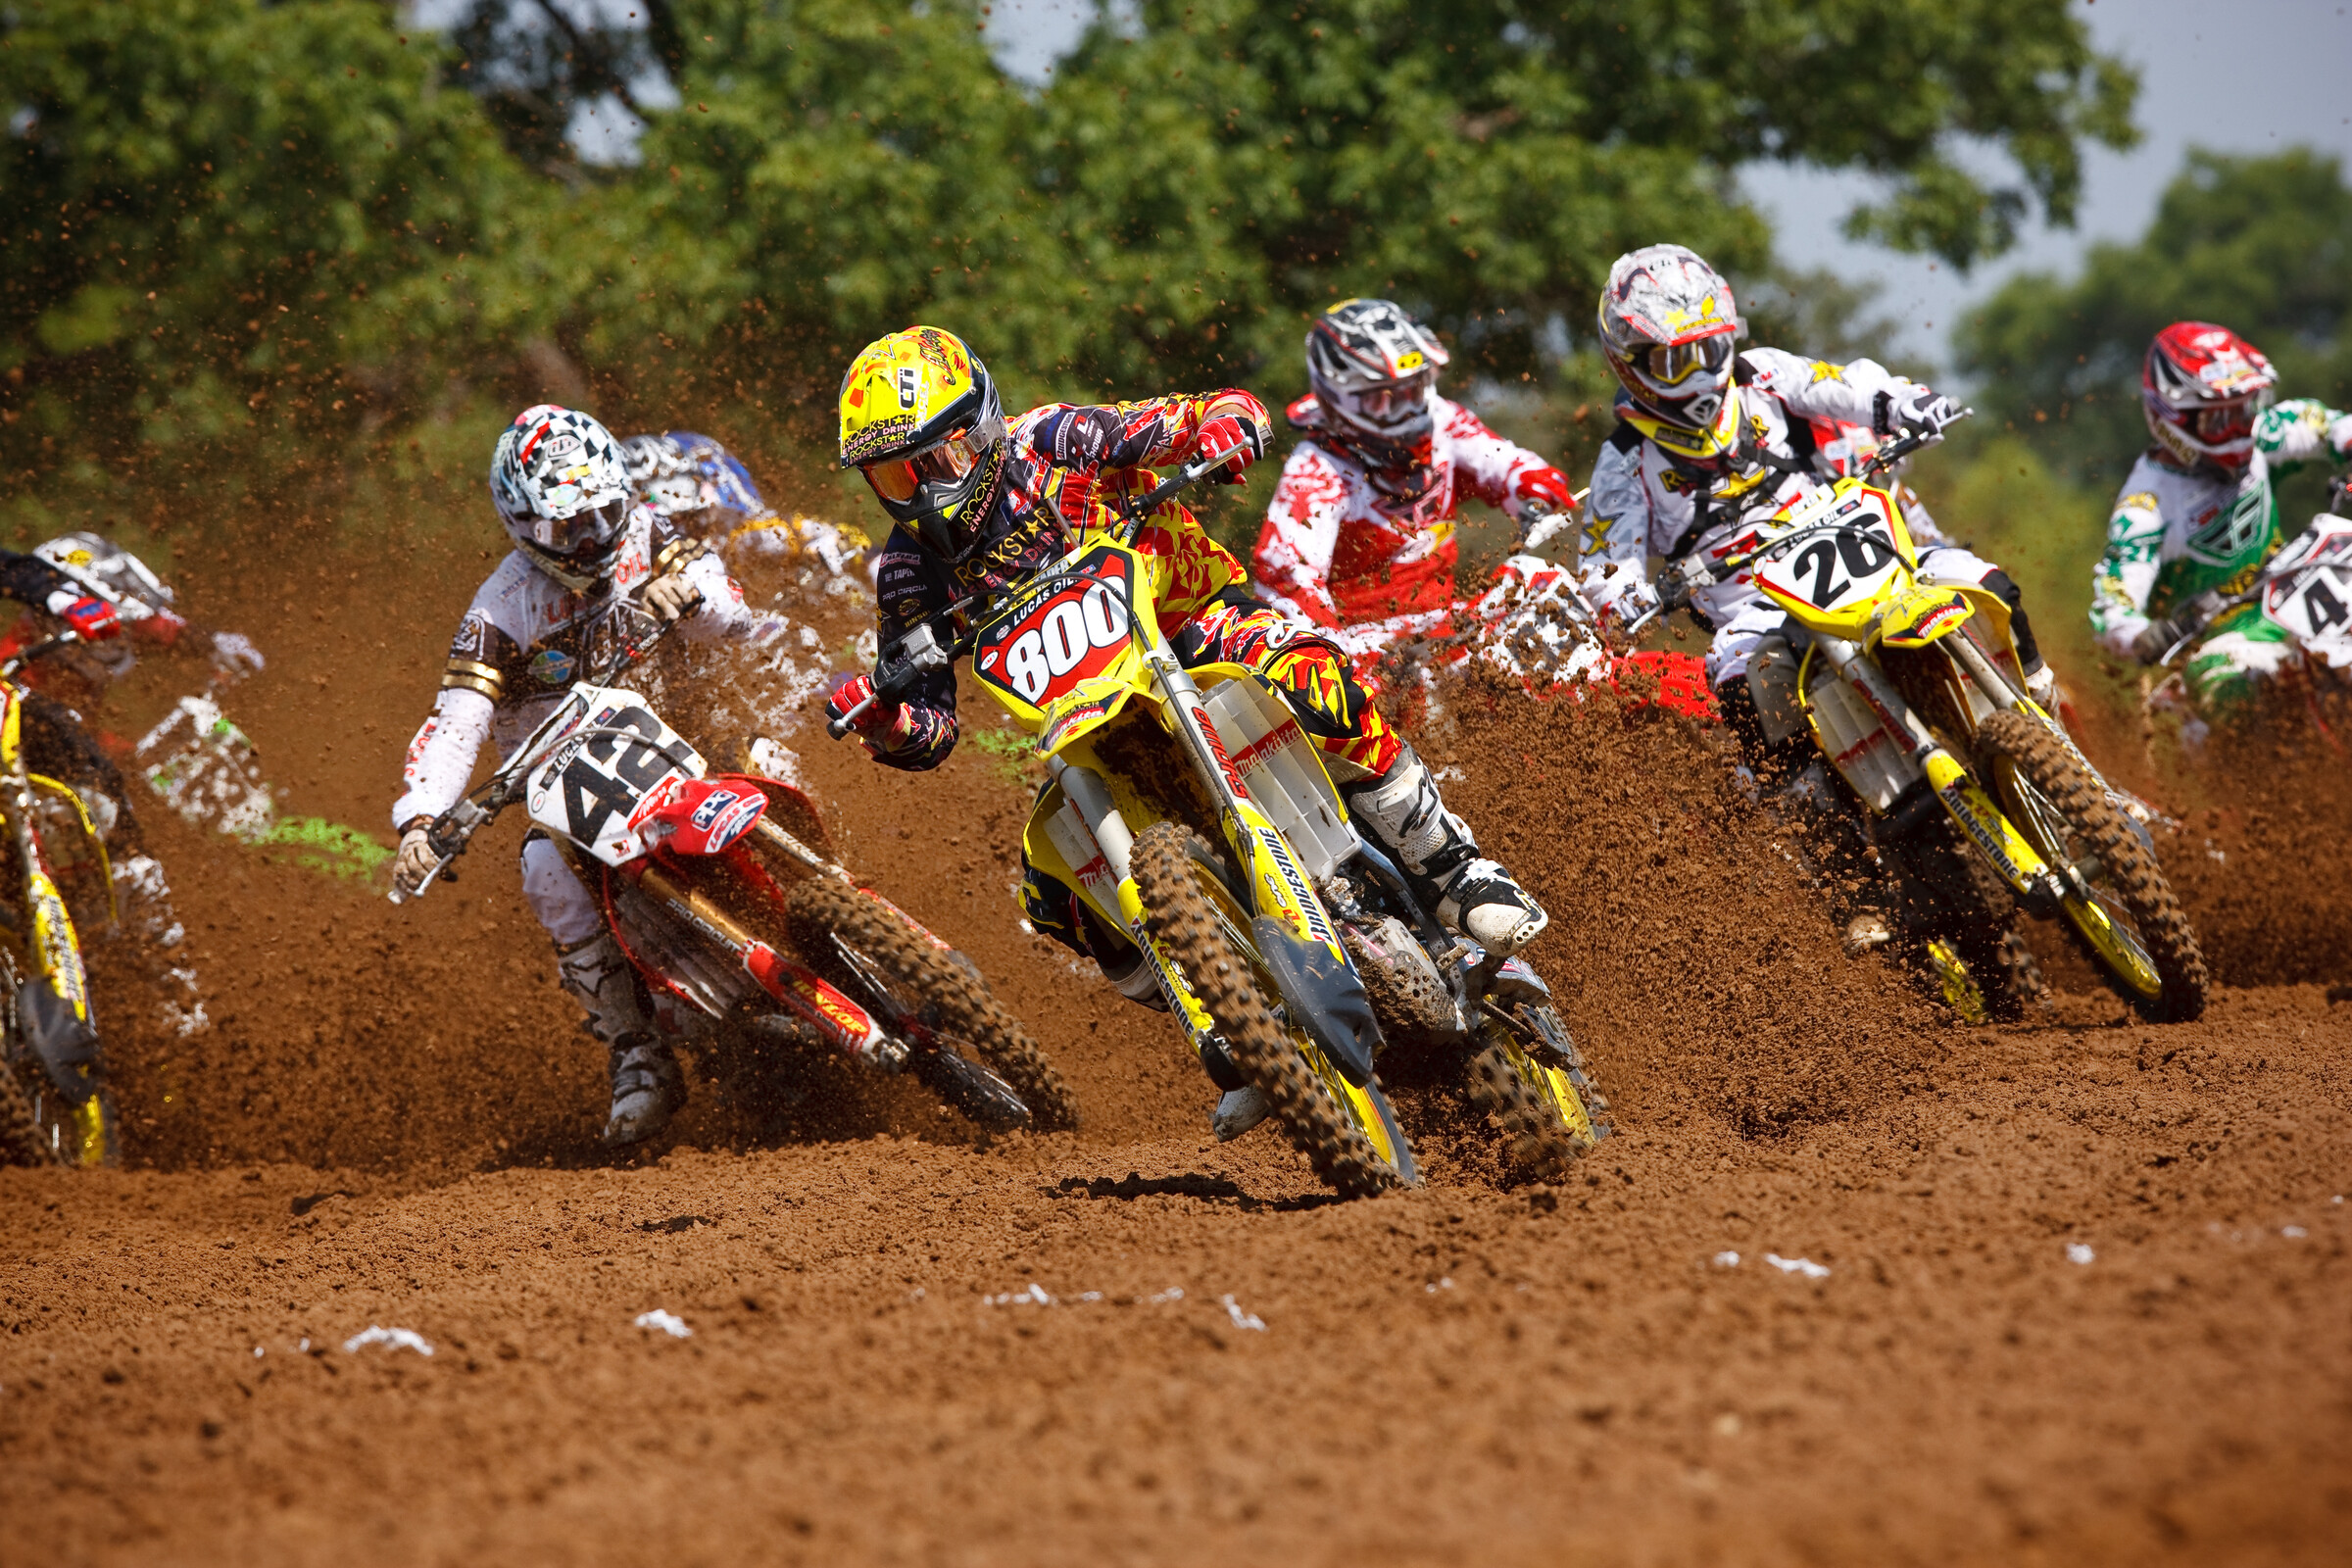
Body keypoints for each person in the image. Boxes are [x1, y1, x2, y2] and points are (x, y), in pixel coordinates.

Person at [823, 325, 1548, 1141]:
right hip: (1083, 719)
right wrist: (888, 719)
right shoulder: (909, 571)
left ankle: (1455, 870)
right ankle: (1236, 1018)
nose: (920, 491)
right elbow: (932, 725)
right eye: (893, 474)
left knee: (1317, 679)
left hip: (1193, 626)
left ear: (982, 427)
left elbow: (1191, 414)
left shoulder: (1053, 440)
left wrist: (1224, 426)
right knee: (1052, 887)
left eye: (934, 460)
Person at [1574, 243, 2043, 955]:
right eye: (1675, 361)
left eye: (1710, 349)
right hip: (1751, 608)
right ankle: (1851, 886)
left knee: (1989, 583)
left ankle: (2055, 739)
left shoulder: (1764, 375)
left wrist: (1901, 402)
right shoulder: (1624, 460)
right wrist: (1627, 596)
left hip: (1859, 544)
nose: (1700, 373)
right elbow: (1606, 565)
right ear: (1628, 361)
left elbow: (1842, 386)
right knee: (1743, 686)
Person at [390, 405, 793, 1148]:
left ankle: (844, 905)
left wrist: (694, 596)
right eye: (561, 529)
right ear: (518, 525)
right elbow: (456, 725)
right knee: (543, 866)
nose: (588, 539)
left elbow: (734, 611)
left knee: (772, 757)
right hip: (578, 793)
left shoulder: (644, 533)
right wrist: (421, 820)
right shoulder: (499, 613)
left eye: (601, 513)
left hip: (689, 739)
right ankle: (636, 1052)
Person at [0, 535, 266, 1036]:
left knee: (141, 812)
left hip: (75, 766)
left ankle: (173, 983)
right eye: (104, 625)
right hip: (23, 764)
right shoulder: (21, 660)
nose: (115, 638)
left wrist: (211, 641)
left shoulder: (74, 622)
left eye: (115, 625)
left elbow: (153, 626)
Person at [1249, 298, 1577, 669]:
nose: (1406, 410)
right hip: (1367, 654)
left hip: (1445, 626)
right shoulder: (1316, 470)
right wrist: (1337, 667)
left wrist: (1531, 493)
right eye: (1383, 398)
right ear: (1339, 396)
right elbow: (1286, 578)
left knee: (1537, 582)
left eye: (1414, 388)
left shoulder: (1441, 419)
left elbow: (1506, 462)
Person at [2090, 321, 2352, 721]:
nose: (2237, 427)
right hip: (2220, 645)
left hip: (2299, 592)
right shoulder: (2145, 510)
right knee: (2245, 696)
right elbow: (2112, 608)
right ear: (2175, 419)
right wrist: (2142, 636)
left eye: (2243, 409)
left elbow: (2321, 422)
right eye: (2218, 420)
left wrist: (2344, 437)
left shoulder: (2260, 433)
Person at [620, 429, 864, 579]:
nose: (688, 531)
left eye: (691, 517)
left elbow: (789, 532)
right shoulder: (625, 563)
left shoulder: (736, 538)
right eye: (675, 522)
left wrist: (828, 541)